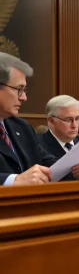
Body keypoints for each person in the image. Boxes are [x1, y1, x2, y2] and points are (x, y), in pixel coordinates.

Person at [0, 52, 56, 185]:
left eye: (25, 90)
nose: (24, 97)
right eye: (19, 89)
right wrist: (14, 180)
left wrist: (75, 168)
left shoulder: (22, 127)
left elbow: (49, 164)